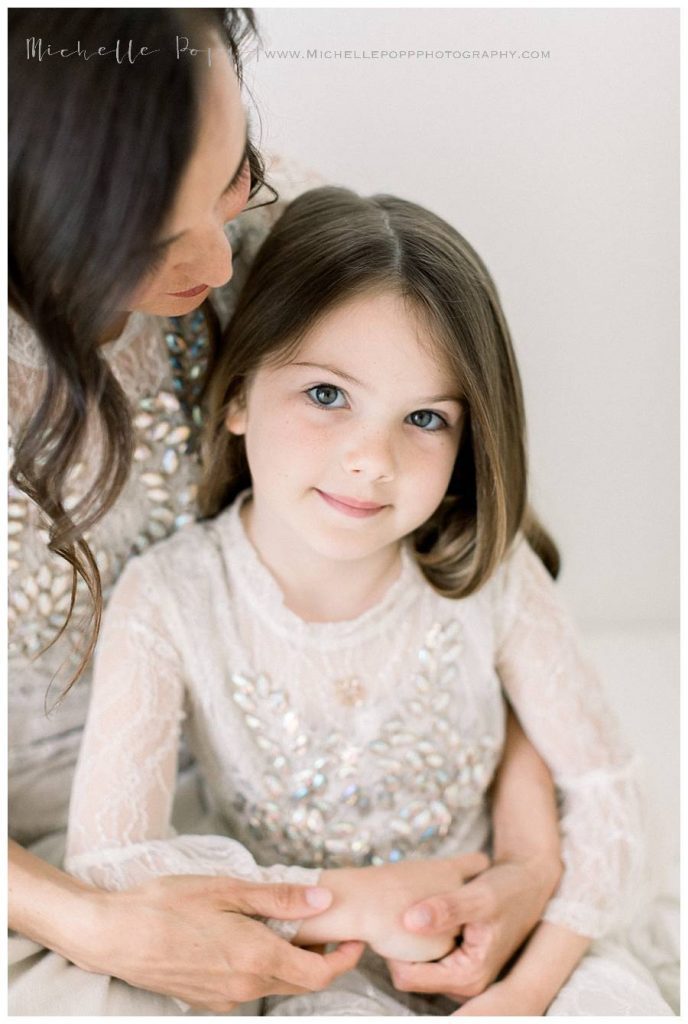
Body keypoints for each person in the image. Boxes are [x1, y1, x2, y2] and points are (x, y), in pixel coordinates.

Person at [8, 8, 563, 1016]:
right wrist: (90, 920)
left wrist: (526, 861)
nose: (222, 266)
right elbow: (111, 880)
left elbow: (481, 564)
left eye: (233, 177)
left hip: (350, 843)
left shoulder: (277, 235)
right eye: (149, 238)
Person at [63, 186, 673, 1016]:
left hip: (517, 945)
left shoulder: (486, 575)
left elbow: (607, 785)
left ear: (468, 441)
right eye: (326, 395)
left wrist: (527, 989)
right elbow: (111, 860)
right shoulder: (170, 598)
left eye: (424, 417)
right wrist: (350, 900)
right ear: (239, 394)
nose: (371, 459)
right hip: (311, 966)